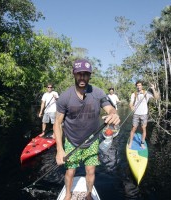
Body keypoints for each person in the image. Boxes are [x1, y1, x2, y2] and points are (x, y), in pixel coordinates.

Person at [54, 59, 120, 200]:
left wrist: (113, 114)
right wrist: (59, 149)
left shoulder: (98, 93)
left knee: (90, 171)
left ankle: (89, 194)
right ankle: (67, 194)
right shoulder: (65, 97)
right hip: (72, 141)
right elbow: (57, 123)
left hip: (92, 140)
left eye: (86, 74)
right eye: (79, 74)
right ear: (74, 74)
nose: (82, 77)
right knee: (70, 172)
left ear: (90, 75)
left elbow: (109, 107)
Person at [128, 81, 160, 149]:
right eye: (137, 85)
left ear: (142, 86)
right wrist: (131, 107)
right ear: (136, 86)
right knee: (134, 128)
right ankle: (130, 142)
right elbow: (131, 103)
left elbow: (156, 97)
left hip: (144, 114)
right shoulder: (134, 94)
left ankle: (142, 143)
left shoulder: (146, 93)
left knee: (143, 129)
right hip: (136, 113)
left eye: (140, 85)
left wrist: (153, 88)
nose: (138, 86)